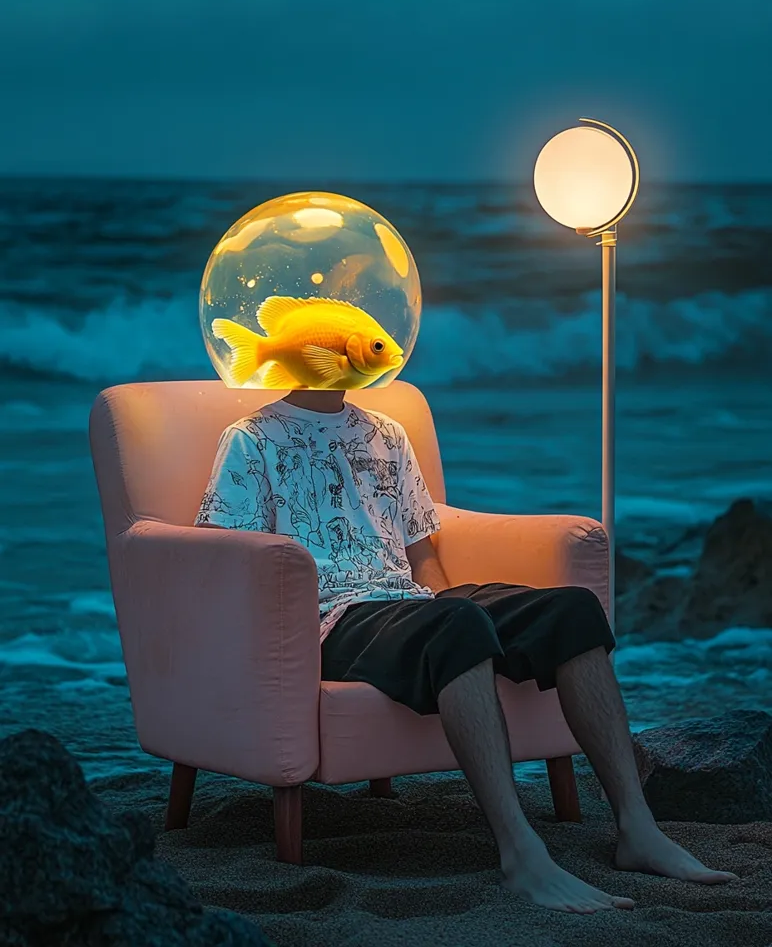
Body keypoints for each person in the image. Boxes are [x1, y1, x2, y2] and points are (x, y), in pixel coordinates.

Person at [195, 387, 738, 915]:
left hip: (410, 602)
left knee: (571, 610)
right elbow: (232, 557)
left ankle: (637, 828)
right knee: (457, 623)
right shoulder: (250, 438)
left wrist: (439, 607)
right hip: (329, 618)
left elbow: (421, 554)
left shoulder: (385, 431)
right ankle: (521, 852)